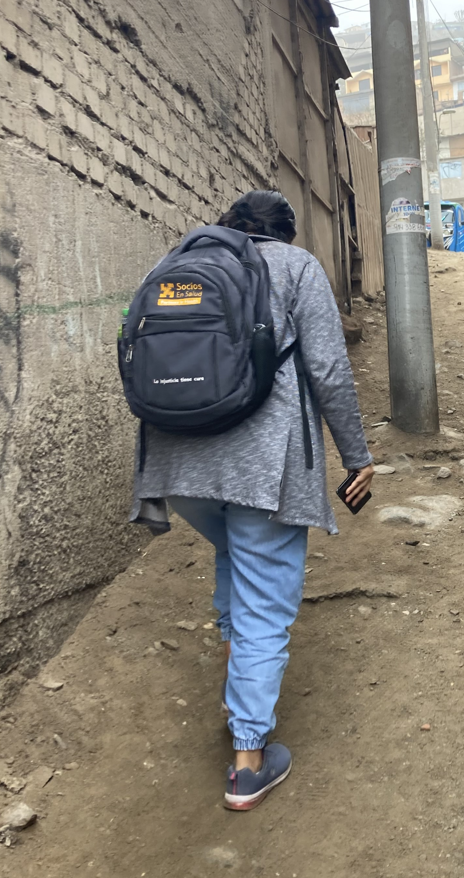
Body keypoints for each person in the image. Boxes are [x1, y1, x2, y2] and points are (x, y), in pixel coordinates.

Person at [130, 190, 375, 807]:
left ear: (230, 227)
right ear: (285, 234)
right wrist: (357, 455)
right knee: (266, 596)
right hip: (261, 469)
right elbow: (328, 371)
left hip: (178, 463)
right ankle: (248, 760)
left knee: (237, 558)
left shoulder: (175, 265)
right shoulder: (295, 268)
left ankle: (239, 689)